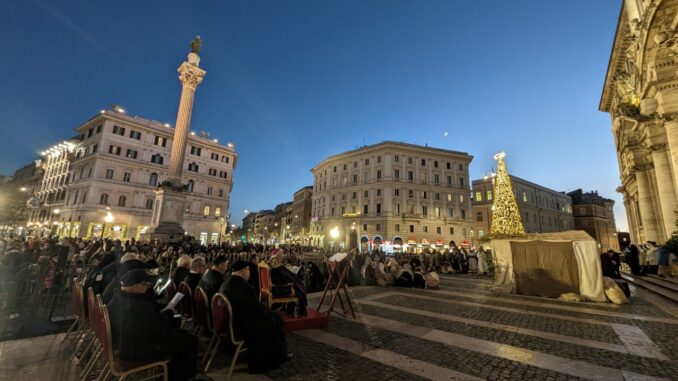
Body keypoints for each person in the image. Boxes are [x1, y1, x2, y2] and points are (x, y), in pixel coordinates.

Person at [107, 269, 198, 381]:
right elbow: (157, 332)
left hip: (124, 343)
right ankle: (178, 377)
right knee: (189, 341)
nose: (148, 287)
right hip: (135, 350)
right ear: (135, 287)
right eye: (145, 284)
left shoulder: (116, 299)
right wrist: (168, 316)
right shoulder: (139, 306)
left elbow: (147, 326)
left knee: (179, 334)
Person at [221, 261, 288, 373]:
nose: (249, 272)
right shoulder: (245, 288)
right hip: (243, 325)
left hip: (232, 322)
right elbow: (256, 309)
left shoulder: (225, 283)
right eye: (248, 269)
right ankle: (275, 357)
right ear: (242, 271)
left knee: (273, 318)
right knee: (275, 321)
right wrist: (270, 313)